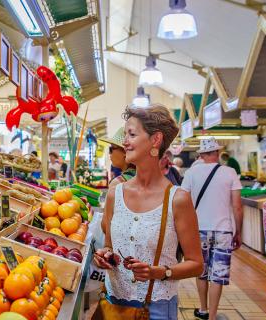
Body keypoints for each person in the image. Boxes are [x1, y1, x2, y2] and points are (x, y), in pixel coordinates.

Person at [93, 104, 203, 319]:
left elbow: (196, 264)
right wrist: (104, 255)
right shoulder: (116, 193)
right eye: (125, 134)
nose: (124, 142)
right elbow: (109, 246)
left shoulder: (177, 199)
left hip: (157, 309)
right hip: (112, 307)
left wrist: (160, 272)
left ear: (155, 140)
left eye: (132, 134)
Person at [181, 137, 243, 320]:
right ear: (216, 153)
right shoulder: (230, 172)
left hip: (197, 230)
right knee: (218, 274)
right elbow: (237, 207)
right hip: (223, 230)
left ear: (200, 155)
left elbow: (183, 202)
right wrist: (238, 232)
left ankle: (203, 309)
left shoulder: (191, 174)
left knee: (201, 270)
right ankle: (214, 315)